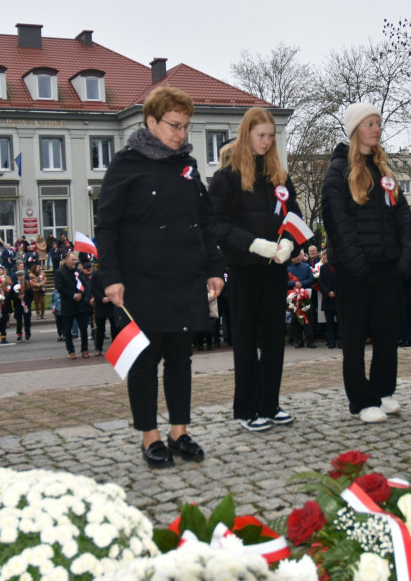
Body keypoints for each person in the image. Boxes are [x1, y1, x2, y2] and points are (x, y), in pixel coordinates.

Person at [96, 86, 224, 468]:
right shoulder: (126, 164)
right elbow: (108, 226)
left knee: (181, 359)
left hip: (185, 276)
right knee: (146, 360)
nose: (181, 134)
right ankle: (149, 435)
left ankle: (179, 431)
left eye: (185, 126)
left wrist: (215, 268)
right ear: (150, 121)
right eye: (173, 125)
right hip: (141, 280)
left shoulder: (187, 166)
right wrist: (111, 276)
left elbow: (204, 221)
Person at [321, 103, 411, 423]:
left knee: (388, 333)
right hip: (355, 270)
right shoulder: (338, 171)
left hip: (389, 268)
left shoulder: (385, 171)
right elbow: (337, 223)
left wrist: (406, 258)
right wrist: (357, 263)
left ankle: (382, 390)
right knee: (355, 335)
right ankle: (361, 400)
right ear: (354, 129)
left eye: (378, 123)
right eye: (369, 123)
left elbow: (403, 217)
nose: (376, 128)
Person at [208, 106, 299, 432]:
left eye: (271, 136)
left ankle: (270, 404)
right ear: (246, 134)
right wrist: (252, 243)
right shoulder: (227, 177)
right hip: (244, 269)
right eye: (261, 135)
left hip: (275, 270)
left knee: (274, 338)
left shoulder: (279, 177)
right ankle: (247, 409)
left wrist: (290, 244)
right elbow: (216, 224)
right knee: (246, 340)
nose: (267, 141)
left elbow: (296, 221)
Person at [55, 251, 90, 358]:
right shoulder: (60, 272)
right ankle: (71, 351)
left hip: (80, 305)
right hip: (68, 304)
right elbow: (60, 287)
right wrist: (73, 295)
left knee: (83, 328)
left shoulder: (78, 272)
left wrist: (81, 294)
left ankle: (85, 349)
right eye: (73, 260)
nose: (75, 262)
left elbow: (84, 285)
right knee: (68, 330)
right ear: (66, 260)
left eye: (75, 260)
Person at [287, 253, 316, 348]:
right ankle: (298, 340)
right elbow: (284, 281)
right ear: (291, 257)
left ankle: (310, 340)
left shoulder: (306, 266)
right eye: (296, 256)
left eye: (299, 256)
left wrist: (301, 284)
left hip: (305, 296)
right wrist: (294, 283)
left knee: (308, 318)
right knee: (295, 319)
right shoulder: (287, 267)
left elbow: (312, 279)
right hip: (293, 297)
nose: (298, 258)